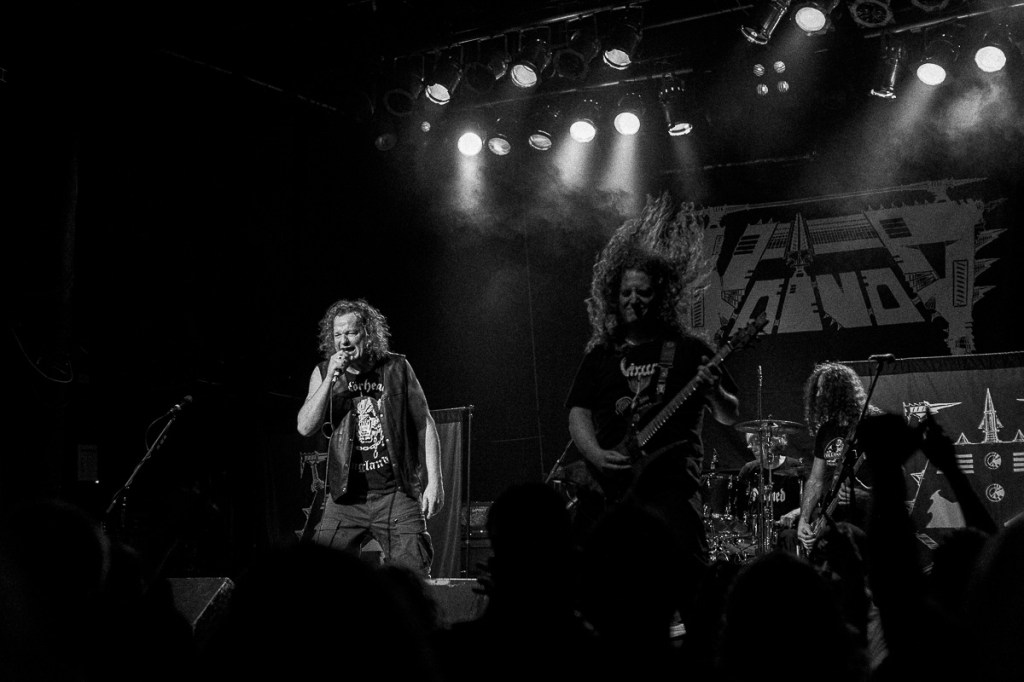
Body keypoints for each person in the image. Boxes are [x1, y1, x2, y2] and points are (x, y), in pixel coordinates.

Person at [563, 193, 741, 575]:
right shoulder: (602, 354)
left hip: (671, 488)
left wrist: (713, 391)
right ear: (613, 295)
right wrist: (595, 455)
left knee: (689, 577)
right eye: (626, 293)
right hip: (611, 487)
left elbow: (729, 414)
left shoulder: (690, 350)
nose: (633, 301)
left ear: (660, 296)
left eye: (643, 292)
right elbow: (578, 411)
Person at [296, 298, 443, 578]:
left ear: (367, 332)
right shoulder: (324, 372)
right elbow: (305, 427)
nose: (344, 341)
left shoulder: (396, 368)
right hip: (346, 498)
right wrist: (330, 380)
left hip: (395, 493)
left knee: (413, 576)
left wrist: (435, 482)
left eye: (350, 332)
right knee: (319, 573)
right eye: (338, 334)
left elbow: (425, 424)